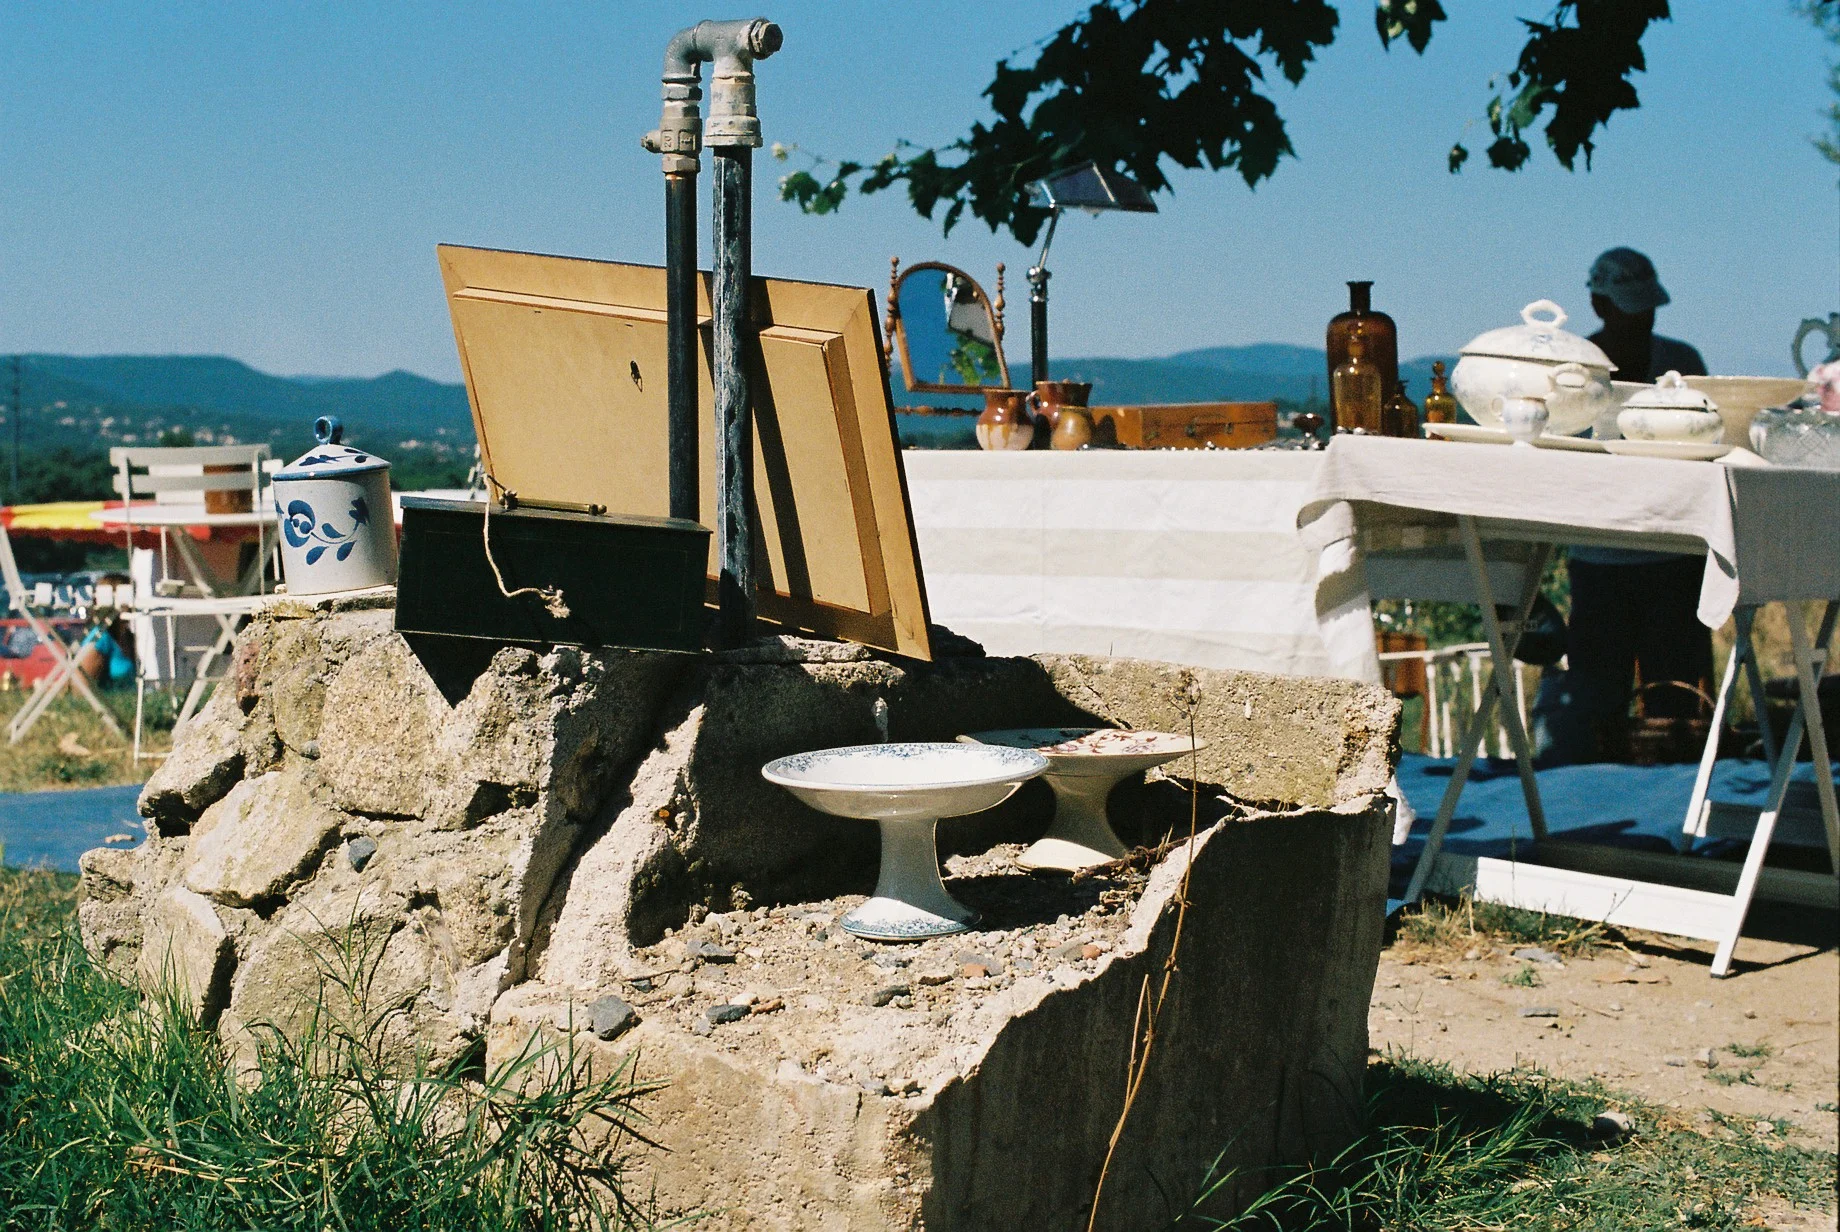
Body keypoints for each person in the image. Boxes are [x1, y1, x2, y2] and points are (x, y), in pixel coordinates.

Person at [1534, 249, 1712, 764]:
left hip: (1675, 554)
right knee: (1596, 702)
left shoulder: (1683, 363)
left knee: (1678, 707)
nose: (1639, 318)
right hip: (1600, 557)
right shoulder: (1573, 370)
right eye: (1628, 306)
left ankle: (1681, 803)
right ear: (1598, 302)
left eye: (1646, 307)